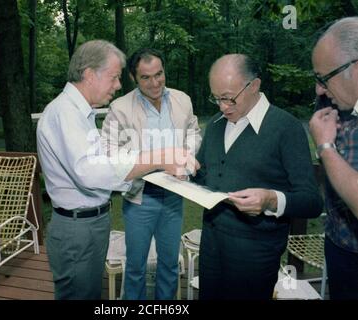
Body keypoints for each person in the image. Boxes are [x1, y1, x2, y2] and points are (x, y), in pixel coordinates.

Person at [36, 40, 198, 300]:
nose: (118, 84)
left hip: (92, 221)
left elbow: (98, 163)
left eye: (159, 74)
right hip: (79, 227)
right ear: (90, 75)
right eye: (113, 77)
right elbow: (90, 173)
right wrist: (159, 158)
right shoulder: (65, 113)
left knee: (87, 292)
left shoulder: (80, 114)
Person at [194, 54, 323, 299]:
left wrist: (271, 200)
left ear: (254, 85)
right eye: (217, 98)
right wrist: (189, 172)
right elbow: (206, 179)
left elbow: (312, 201)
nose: (223, 106)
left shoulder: (286, 128)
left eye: (229, 97)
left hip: (256, 255)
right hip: (211, 245)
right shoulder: (215, 125)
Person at [101, 48, 202, 299]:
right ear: (134, 78)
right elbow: (109, 155)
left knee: (169, 264)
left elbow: (193, 131)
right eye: (146, 77)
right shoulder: (120, 108)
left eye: (159, 74)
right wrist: (152, 161)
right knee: (136, 266)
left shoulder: (182, 100)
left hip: (174, 195)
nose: (155, 82)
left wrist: (186, 154)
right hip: (140, 197)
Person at [309, 17, 358, 300]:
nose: (319, 89)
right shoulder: (339, 106)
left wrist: (325, 147)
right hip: (339, 247)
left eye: (323, 78)